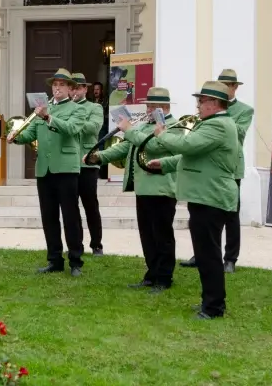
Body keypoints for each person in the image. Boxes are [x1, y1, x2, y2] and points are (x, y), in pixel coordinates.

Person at [145, 81, 239, 319]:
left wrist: (162, 134)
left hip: (211, 196)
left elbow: (187, 145)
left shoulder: (217, 126)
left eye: (202, 101)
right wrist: (165, 164)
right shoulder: (212, 124)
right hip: (206, 196)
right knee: (206, 253)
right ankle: (211, 301)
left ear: (215, 104)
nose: (198, 105)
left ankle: (214, 307)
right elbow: (193, 157)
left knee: (208, 255)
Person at [87, 87, 180, 292]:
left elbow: (153, 146)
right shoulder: (145, 125)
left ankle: (164, 277)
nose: (149, 109)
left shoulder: (173, 126)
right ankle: (151, 273)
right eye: (148, 105)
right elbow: (128, 146)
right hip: (144, 187)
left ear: (165, 107)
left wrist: (129, 129)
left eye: (153, 106)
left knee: (162, 235)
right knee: (147, 234)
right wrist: (100, 157)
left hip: (162, 188)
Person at [7, 68, 88, 277]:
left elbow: (71, 129)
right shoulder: (41, 110)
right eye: (55, 85)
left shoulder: (77, 109)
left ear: (71, 89)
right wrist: (16, 136)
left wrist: (48, 117)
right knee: (49, 217)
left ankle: (76, 261)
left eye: (62, 85)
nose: (57, 88)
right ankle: (54, 260)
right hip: (44, 169)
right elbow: (32, 133)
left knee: (70, 216)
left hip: (66, 168)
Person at [181, 69, 253, 273]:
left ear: (235, 87)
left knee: (230, 215)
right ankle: (201, 253)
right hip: (206, 165)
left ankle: (230, 258)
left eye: (228, 85)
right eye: (220, 83)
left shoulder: (244, 110)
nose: (224, 87)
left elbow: (238, 133)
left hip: (230, 167)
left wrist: (222, 114)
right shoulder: (210, 110)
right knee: (202, 217)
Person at [71, 73, 104, 256]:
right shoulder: (65, 107)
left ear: (85, 89)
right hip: (69, 163)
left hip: (88, 163)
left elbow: (93, 128)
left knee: (90, 205)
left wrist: (74, 119)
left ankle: (96, 244)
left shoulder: (95, 107)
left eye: (79, 87)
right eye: (73, 87)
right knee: (72, 208)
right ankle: (77, 244)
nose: (75, 91)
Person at [92, 82, 110, 180]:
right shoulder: (91, 101)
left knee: (101, 150)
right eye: (94, 89)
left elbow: (107, 116)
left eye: (97, 89)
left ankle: (102, 174)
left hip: (102, 129)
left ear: (101, 90)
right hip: (93, 130)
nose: (96, 91)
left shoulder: (106, 101)